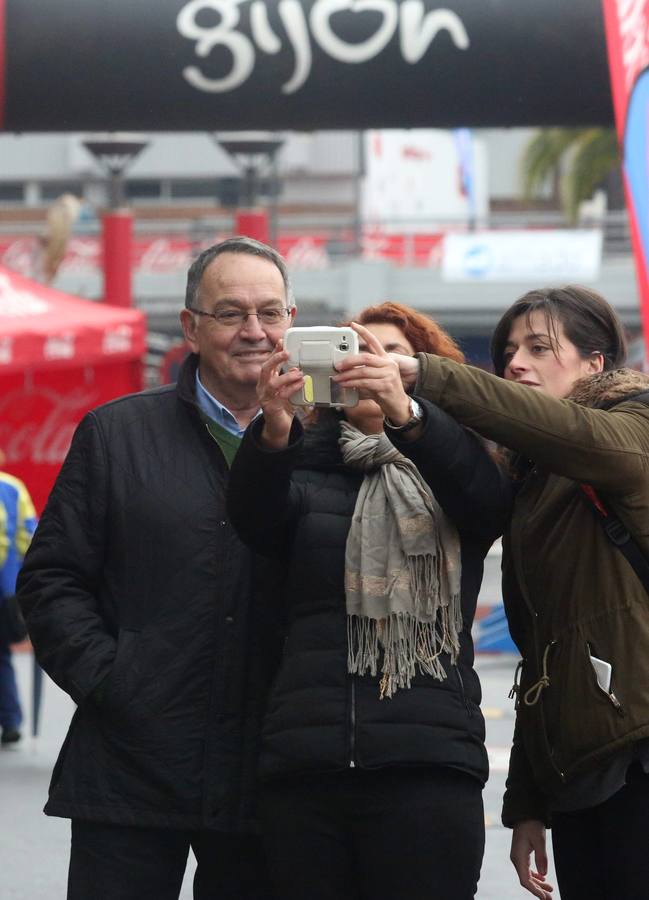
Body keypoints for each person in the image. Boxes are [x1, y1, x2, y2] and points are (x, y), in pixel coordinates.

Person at [335, 286, 649, 900]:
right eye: (508, 351)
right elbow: (542, 653)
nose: (515, 363)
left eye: (539, 347)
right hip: (586, 771)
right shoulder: (532, 481)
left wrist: (425, 375)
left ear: (596, 363)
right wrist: (528, 803)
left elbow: (574, 431)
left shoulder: (633, 427)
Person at [17, 237, 297, 900]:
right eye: (230, 313)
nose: (253, 332)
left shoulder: (327, 439)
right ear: (191, 328)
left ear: (291, 322)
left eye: (270, 313)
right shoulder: (116, 435)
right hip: (129, 767)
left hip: (271, 768)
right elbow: (51, 579)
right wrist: (117, 682)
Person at [227, 302, 512, 900]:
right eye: (352, 352)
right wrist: (275, 426)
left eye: (386, 357)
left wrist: (407, 413)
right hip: (309, 764)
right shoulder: (298, 464)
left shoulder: (454, 465)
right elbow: (253, 522)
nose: (366, 367)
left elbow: (487, 506)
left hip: (428, 764)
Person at [0, 468, 37, 747]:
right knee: (2, 657)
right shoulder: (12, 487)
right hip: (5, 587)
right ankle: (11, 720)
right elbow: (29, 536)